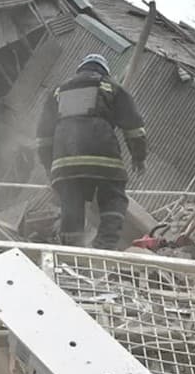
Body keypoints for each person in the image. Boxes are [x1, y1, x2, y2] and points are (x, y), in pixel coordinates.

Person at [35, 53, 147, 249]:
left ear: (81, 69)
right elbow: (134, 128)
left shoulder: (57, 92)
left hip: (65, 162)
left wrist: (48, 166)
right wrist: (139, 157)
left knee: (71, 203)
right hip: (104, 159)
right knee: (113, 198)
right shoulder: (111, 87)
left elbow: (43, 136)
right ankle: (104, 247)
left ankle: (71, 254)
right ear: (104, 71)